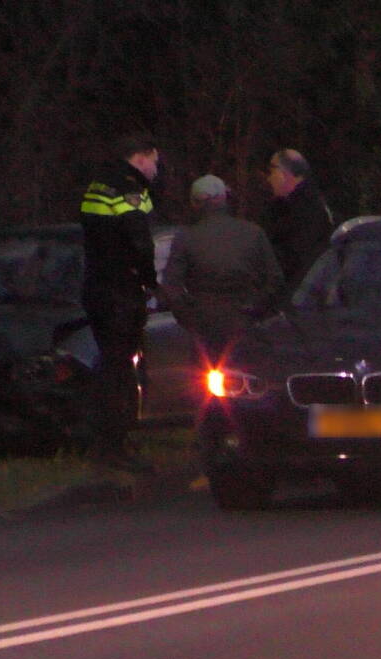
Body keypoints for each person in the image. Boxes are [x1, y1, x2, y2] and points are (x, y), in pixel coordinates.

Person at [78, 134, 161, 474]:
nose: (157, 169)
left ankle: (104, 442)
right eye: (155, 161)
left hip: (97, 288)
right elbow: (140, 243)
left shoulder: (97, 186)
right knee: (121, 370)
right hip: (122, 292)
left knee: (108, 366)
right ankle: (118, 444)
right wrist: (151, 281)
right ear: (140, 158)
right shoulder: (132, 192)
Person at [163, 174, 283, 362]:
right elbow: (275, 279)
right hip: (247, 322)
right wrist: (257, 308)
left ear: (195, 203)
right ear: (224, 199)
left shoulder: (186, 238)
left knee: (202, 382)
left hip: (205, 325)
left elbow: (171, 287)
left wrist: (190, 317)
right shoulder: (253, 233)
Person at [263, 148, 335, 291]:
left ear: (287, 173)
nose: (269, 178)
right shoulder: (287, 206)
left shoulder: (306, 209)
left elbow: (297, 259)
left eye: (272, 171)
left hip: (299, 296)